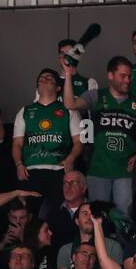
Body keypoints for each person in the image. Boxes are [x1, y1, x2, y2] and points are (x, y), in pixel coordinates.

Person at [62, 55, 136, 213]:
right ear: (110, 75)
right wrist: (68, 74)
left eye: (129, 76)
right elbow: (70, 104)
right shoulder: (96, 95)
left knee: (123, 216)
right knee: (98, 216)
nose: (127, 80)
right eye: (123, 76)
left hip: (125, 170)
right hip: (98, 168)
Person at [12, 68, 83, 204]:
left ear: (58, 88)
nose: (44, 79)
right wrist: (19, 164)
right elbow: (17, 144)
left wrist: (70, 159)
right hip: (31, 171)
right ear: (37, 89)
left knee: (57, 216)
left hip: (59, 171)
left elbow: (79, 142)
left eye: (49, 78)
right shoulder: (25, 111)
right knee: (30, 216)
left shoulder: (69, 110)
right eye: (41, 78)